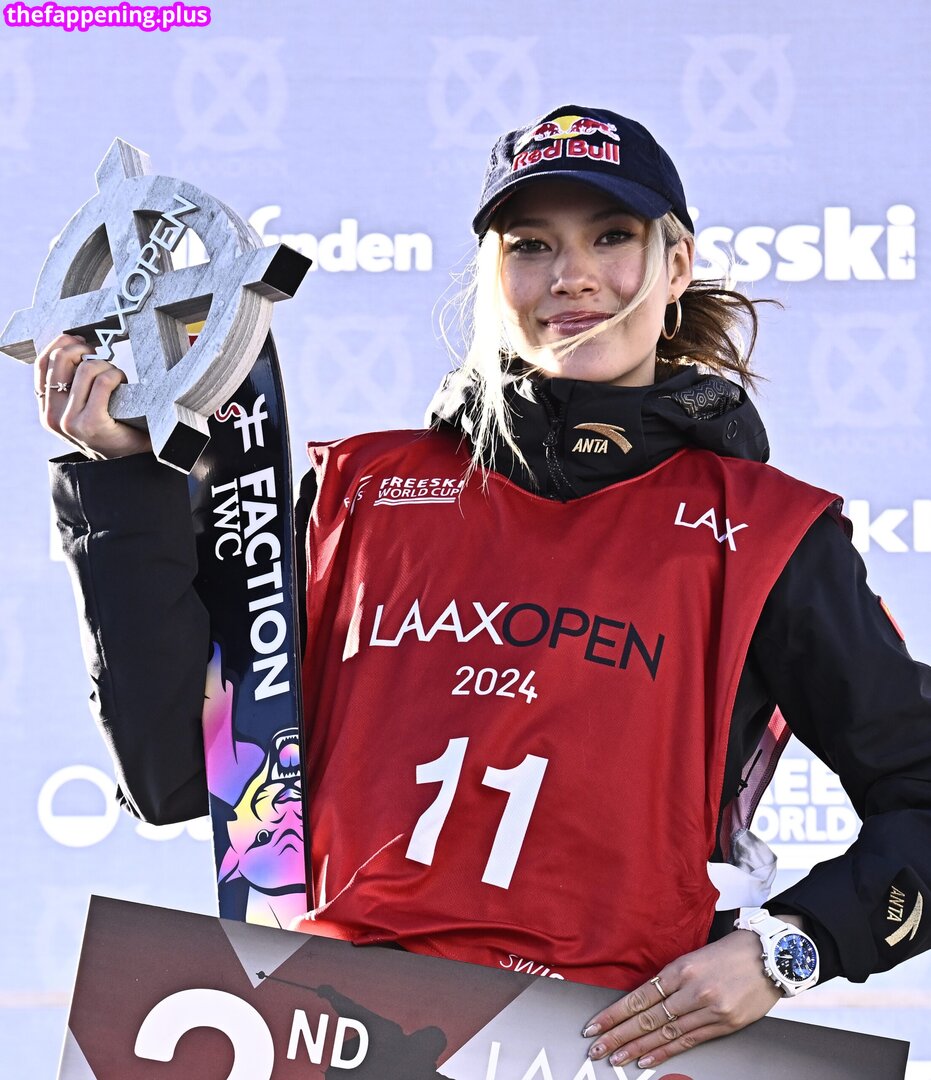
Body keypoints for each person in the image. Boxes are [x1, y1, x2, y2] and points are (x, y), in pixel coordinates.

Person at [37, 105, 931, 1072]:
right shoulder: (360, 490)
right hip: (332, 1036)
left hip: (600, 1045)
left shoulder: (766, 530)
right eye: (530, 245)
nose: (570, 276)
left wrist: (787, 948)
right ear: (491, 274)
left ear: (675, 265)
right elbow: (180, 774)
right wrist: (121, 485)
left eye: (611, 237)